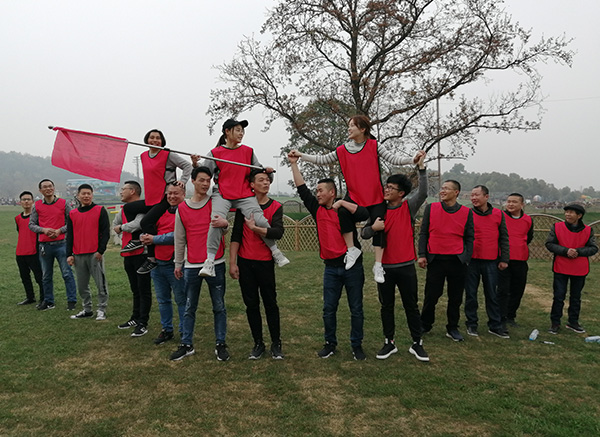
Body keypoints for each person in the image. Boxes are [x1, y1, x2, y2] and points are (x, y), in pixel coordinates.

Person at [290, 115, 424, 283]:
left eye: (352, 125)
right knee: (342, 212)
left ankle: (378, 265)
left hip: (375, 198)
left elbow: (394, 159)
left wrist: (413, 160)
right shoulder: (342, 150)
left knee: (380, 223)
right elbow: (321, 160)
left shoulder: (374, 145)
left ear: (363, 129)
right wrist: (301, 155)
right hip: (354, 197)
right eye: (349, 125)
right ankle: (352, 249)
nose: (349, 128)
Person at [289, 152, 369, 360]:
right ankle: (330, 344)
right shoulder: (316, 210)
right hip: (331, 268)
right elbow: (301, 188)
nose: (317, 194)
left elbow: (364, 214)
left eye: (321, 191)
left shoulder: (343, 209)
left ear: (332, 192)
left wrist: (343, 203)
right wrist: (294, 164)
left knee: (356, 308)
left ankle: (357, 345)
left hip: (352, 267)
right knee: (329, 309)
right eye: (316, 191)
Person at [194, 118, 289, 278]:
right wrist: (195, 165)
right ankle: (209, 262)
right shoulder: (215, 153)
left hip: (244, 194)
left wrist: (266, 171)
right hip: (222, 193)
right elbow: (204, 173)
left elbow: (257, 171)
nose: (241, 133)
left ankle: (275, 252)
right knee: (216, 222)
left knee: (260, 220)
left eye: (242, 131)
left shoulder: (248, 152)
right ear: (227, 132)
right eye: (238, 130)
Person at [361, 158, 429, 362]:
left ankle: (417, 343)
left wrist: (422, 169)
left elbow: (423, 193)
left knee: (411, 305)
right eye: (387, 186)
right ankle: (389, 342)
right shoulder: (378, 210)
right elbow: (364, 233)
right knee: (386, 306)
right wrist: (373, 228)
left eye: (391, 187)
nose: (387, 189)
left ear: (401, 193)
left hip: (406, 266)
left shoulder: (408, 207)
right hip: (384, 269)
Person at [169, 166, 230, 361]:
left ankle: (220, 343)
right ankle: (186, 344)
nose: (205, 184)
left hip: (216, 262)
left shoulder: (215, 203)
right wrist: (178, 263)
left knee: (219, 306)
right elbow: (179, 239)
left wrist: (226, 225)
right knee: (189, 307)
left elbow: (223, 227)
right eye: (201, 180)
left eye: (208, 180)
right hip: (192, 265)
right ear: (193, 181)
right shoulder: (182, 208)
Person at [229, 169, 285, 360]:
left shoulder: (276, 206)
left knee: (270, 303)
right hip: (245, 263)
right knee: (251, 304)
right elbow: (236, 235)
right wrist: (232, 262)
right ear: (252, 185)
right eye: (261, 180)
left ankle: (276, 344)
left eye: (267, 180)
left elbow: (278, 232)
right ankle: (258, 343)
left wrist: (256, 228)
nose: (266, 183)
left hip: (265, 263)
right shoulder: (243, 207)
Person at [121, 129, 192, 275]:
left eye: (158, 138)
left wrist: (183, 181)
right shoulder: (143, 156)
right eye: (152, 137)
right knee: (128, 208)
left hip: (163, 197)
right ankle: (136, 240)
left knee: (146, 222)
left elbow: (187, 166)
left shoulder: (168, 154)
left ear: (162, 141)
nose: (155, 140)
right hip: (150, 197)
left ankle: (151, 258)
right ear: (147, 140)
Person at [419, 180, 474, 342]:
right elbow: (424, 233)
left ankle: (452, 327)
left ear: (456, 192)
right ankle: (425, 324)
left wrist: (466, 258)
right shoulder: (431, 208)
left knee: (455, 297)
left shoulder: (466, 212)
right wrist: (422, 254)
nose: (442, 191)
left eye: (446, 189)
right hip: (436, 259)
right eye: (442, 188)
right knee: (431, 295)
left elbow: (470, 237)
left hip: (457, 260)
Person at [139, 183, 187, 345]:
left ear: (183, 194)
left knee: (181, 300)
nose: (172, 196)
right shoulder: (162, 212)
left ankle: (184, 331)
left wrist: (154, 239)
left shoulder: (186, 211)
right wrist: (145, 238)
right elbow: (151, 229)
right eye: (169, 193)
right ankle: (167, 330)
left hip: (175, 263)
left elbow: (178, 235)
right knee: (163, 300)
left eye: (176, 193)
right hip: (158, 263)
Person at [464, 185, 510, 339]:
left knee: (492, 294)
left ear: (486, 197)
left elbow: (504, 238)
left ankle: (495, 325)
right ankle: (471, 323)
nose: (473, 198)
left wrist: (504, 259)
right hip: (471, 261)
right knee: (471, 294)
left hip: (491, 261)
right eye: (472, 195)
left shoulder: (498, 214)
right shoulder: (467, 213)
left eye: (477, 195)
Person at [546, 203, 598, 334]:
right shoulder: (557, 227)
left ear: (579, 216)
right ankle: (555, 323)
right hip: (561, 266)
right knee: (559, 296)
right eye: (566, 212)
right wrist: (565, 251)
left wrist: (578, 252)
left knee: (576, 297)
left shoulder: (588, 230)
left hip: (579, 268)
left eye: (571, 212)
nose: (567, 214)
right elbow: (550, 244)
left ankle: (573, 322)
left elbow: (593, 248)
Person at [29, 179, 77, 311]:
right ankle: (49, 301)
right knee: (46, 276)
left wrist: (60, 230)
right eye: (45, 187)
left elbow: (72, 221)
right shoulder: (37, 205)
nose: (48, 189)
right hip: (45, 245)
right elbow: (31, 224)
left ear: (54, 188)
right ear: (40, 190)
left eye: (50, 186)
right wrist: (43, 230)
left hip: (62, 244)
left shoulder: (64, 203)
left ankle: (71, 300)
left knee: (67, 274)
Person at [113, 181, 153, 336]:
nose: (121, 192)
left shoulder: (141, 208)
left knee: (144, 290)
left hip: (141, 254)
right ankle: (135, 318)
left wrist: (122, 227)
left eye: (123, 189)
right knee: (135, 289)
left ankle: (143, 323)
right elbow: (114, 224)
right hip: (127, 254)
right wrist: (119, 227)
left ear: (132, 191)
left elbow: (137, 224)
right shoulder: (124, 210)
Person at [66, 184, 110, 320]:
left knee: (100, 284)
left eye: (88, 193)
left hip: (94, 254)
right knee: (82, 285)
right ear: (78, 195)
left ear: (92, 195)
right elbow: (70, 235)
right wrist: (69, 254)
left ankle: (101, 309)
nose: (86, 196)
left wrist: (100, 250)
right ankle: (87, 309)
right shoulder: (72, 214)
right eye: (83, 193)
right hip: (78, 254)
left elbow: (105, 232)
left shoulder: (100, 210)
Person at [498, 193, 533, 328]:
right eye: (509, 201)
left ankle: (510, 316)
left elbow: (529, 237)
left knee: (517, 290)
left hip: (520, 260)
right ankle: (500, 316)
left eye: (514, 202)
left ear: (522, 204)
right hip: (503, 259)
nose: (511, 204)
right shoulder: (500, 217)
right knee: (503, 290)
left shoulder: (528, 220)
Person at [14, 190, 44, 306]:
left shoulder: (37, 217)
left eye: (28, 199)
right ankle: (30, 297)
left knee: (39, 277)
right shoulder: (18, 218)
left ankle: (44, 298)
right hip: (20, 252)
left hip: (34, 252)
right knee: (24, 276)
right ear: (20, 202)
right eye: (24, 199)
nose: (26, 201)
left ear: (33, 201)